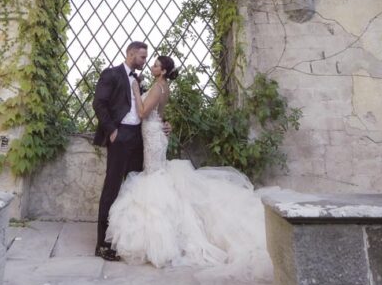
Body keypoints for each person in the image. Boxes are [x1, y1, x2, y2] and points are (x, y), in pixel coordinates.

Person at [105, 55, 271, 273]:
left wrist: (136, 90)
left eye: (156, 65)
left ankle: (162, 238)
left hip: (153, 136)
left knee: (153, 176)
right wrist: (165, 123)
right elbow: (160, 113)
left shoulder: (158, 87)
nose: (152, 67)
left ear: (163, 71)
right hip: (155, 133)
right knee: (156, 174)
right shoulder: (163, 86)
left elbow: (143, 112)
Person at [92, 40, 148, 261]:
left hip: (138, 137)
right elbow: (99, 103)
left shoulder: (138, 79)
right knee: (112, 188)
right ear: (131, 54)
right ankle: (102, 244)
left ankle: (124, 241)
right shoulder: (111, 74)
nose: (144, 61)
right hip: (120, 135)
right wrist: (112, 130)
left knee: (133, 188)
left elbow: (144, 108)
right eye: (142, 57)